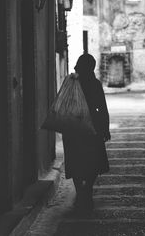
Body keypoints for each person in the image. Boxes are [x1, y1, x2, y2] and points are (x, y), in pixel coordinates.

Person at [62, 53, 111, 213]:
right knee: (93, 162)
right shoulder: (95, 84)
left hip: (72, 128)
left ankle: (80, 193)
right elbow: (102, 108)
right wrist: (105, 129)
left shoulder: (71, 83)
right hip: (92, 128)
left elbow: (62, 105)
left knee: (75, 161)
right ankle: (87, 192)